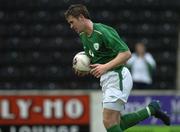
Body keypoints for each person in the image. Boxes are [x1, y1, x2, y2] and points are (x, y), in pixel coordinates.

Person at [64, 4, 170, 132]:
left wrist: (105, 67)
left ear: (81, 17)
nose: (71, 26)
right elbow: (99, 56)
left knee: (108, 121)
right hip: (107, 79)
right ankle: (152, 109)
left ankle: (153, 109)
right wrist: (85, 67)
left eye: (72, 22)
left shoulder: (102, 31)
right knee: (117, 123)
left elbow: (126, 53)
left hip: (117, 76)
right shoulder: (83, 35)